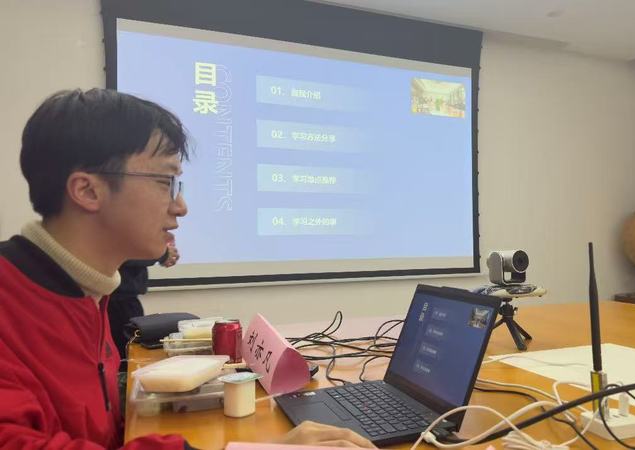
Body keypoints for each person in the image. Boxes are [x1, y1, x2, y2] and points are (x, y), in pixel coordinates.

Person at [0, 88, 374, 449]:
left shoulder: (87, 295)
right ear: (87, 191)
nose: (181, 206)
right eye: (165, 182)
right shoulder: (13, 305)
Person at [108, 241, 180, 372]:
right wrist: (160, 253)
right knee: (125, 362)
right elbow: (118, 249)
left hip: (121, 300)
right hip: (115, 302)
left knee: (129, 359)